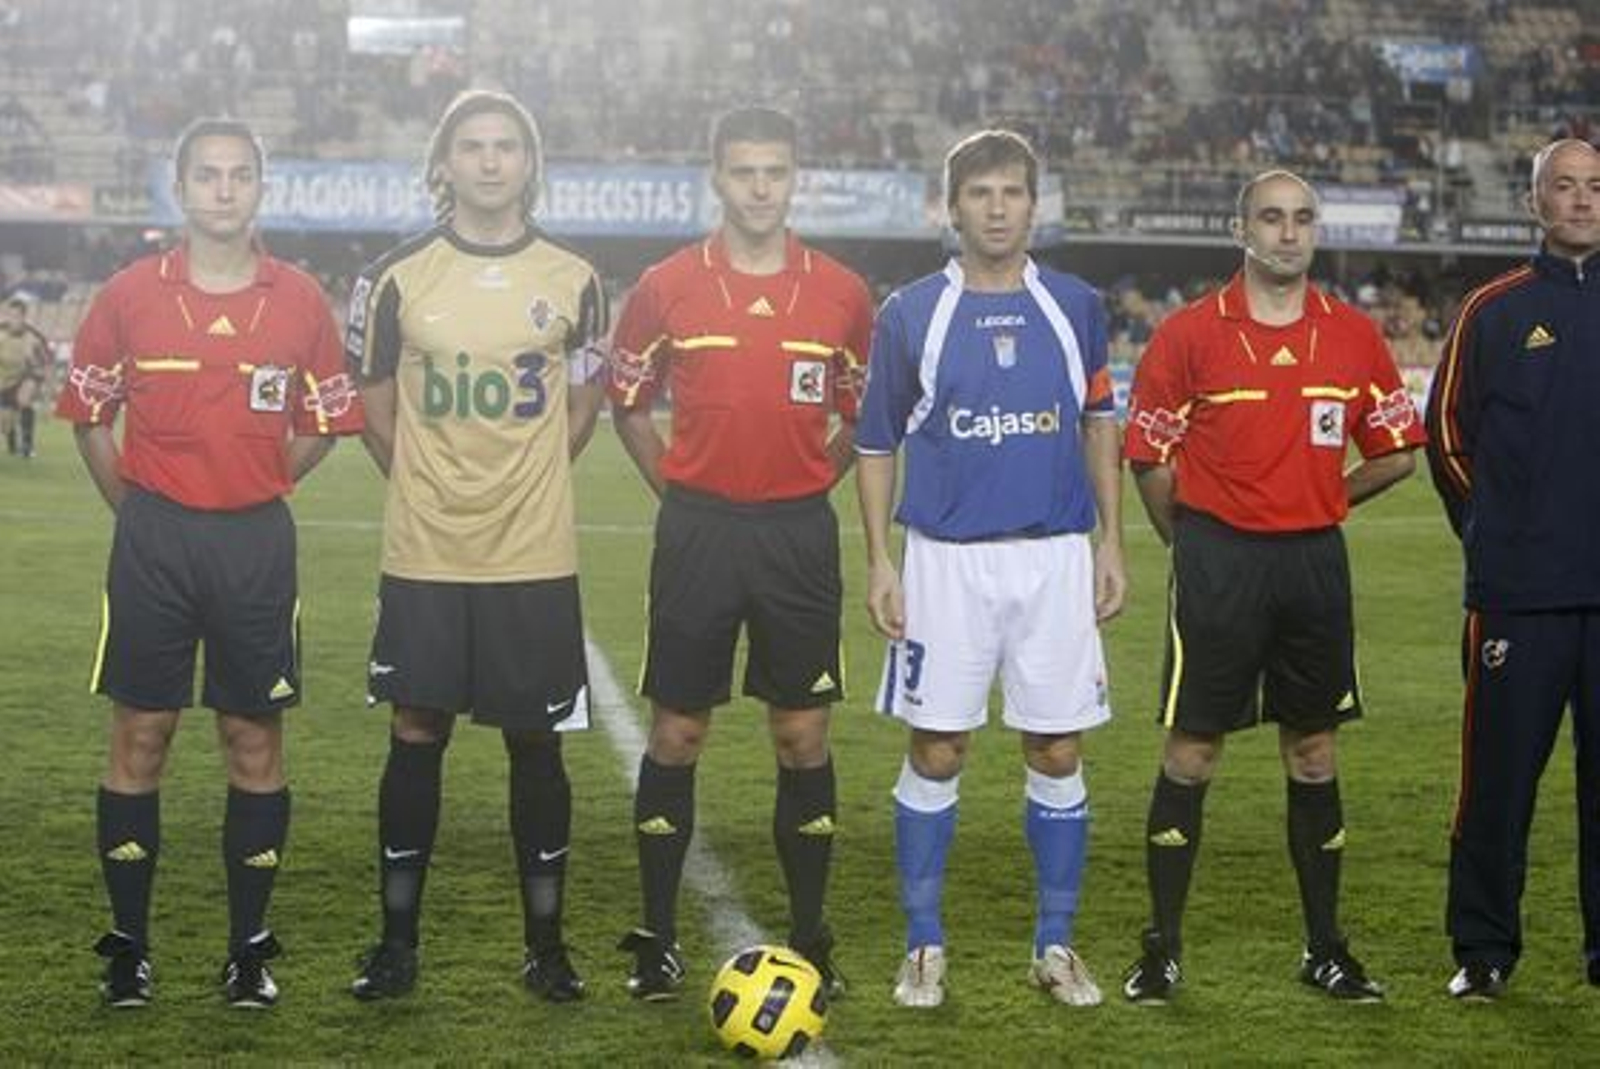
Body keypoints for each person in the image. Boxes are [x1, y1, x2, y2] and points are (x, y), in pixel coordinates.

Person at [56, 117, 363, 1009]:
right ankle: (127, 949)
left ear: (260, 189)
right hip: (153, 540)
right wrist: (140, 510)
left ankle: (248, 950)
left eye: (239, 176)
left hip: (255, 543)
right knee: (140, 736)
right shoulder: (126, 294)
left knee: (252, 738)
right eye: (208, 175)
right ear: (179, 188)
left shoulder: (300, 299)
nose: (223, 190)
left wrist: (262, 482)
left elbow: (328, 423)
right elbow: (87, 415)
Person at [1120, 168, 1425, 1005]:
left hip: (1311, 563)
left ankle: (1326, 949)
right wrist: (1186, 536)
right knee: (1193, 750)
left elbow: (1399, 450)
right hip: (1219, 560)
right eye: (1271, 218)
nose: (1288, 232)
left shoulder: (1353, 335)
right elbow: (1147, 454)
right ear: (1241, 228)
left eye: (1301, 219)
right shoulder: (1190, 333)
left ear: (1315, 230)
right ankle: (1163, 950)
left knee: (1316, 751)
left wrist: (1327, 497)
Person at [344, 89, 608, 1004]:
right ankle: (395, 945)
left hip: (534, 556)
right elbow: (374, 405)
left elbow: (582, 401)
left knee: (537, 740)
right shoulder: (399, 276)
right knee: (416, 730)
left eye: (507, 146)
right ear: (444, 163)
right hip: (426, 553)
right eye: (473, 146)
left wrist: (526, 479)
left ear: (529, 164)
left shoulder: (574, 276)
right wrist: (428, 483)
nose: (491, 161)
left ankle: (547, 948)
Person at [607, 104, 872, 1000]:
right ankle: (654, 937)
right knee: (678, 730)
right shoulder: (666, 284)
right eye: (744, 172)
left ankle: (810, 938)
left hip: (797, 534)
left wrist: (813, 480)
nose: (761, 188)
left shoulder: (840, 292)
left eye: (776, 172)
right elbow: (629, 401)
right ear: (717, 178)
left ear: (795, 179)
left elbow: (863, 415)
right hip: (698, 530)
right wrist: (676, 487)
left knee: (801, 733)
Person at [856, 129, 1125, 1010]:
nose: (998, 208)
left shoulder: (1077, 304)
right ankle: (924, 946)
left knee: (1055, 744)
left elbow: (1097, 424)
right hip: (944, 563)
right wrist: (878, 561)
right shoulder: (909, 312)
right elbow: (874, 441)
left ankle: (1055, 945)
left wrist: (1111, 543)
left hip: (1053, 558)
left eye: (1013, 193)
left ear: (1034, 206)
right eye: (981, 194)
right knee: (938, 747)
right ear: (951, 207)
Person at [1424, 137, 1600, 1001]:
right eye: (1563, 187)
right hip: (1517, 599)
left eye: (1595, 186)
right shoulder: (1491, 311)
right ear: (1534, 202)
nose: (1581, 200)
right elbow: (1446, 436)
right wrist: (1496, 532)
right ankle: (1484, 948)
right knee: (1494, 787)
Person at [0, 295, 50, 457]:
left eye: (17, 316)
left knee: (23, 399)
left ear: (23, 317)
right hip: (5, 380)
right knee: (5, 424)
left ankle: (28, 445)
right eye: (9, 315)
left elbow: (46, 362)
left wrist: (45, 400)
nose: (12, 319)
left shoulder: (34, 337)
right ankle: (11, 439)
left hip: (27, 375)